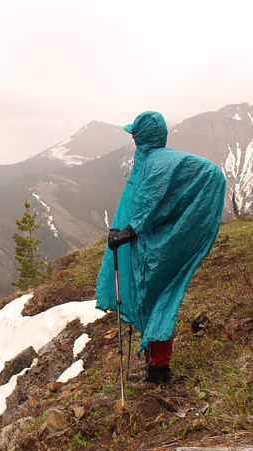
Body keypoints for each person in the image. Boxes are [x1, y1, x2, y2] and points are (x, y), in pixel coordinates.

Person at [96, 111, 226, 389]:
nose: (131, 137)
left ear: (139, 137)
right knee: (157, 301)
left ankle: (158, 373)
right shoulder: (158, 160)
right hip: (158, 245)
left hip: (155, 250)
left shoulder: (155, 163)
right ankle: (155, 366)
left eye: (134, 133)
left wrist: (128, 232)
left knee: (156, 302)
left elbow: (148, 201)